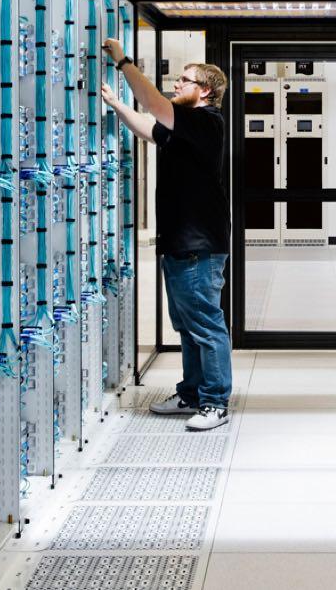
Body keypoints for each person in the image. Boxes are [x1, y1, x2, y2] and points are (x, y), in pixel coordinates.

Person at [98, 37, 233, 431]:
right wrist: (116, 104)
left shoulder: (206, 122)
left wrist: (123, 61)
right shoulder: (184, 128)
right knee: (188, 325)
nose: (177, 84)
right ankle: (192, 393)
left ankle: (215, 402)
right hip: (179, 245)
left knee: (206, 325)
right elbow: (148, 127)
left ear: (204, 90)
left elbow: (155, 105)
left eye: (184, 80)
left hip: (199, 248)